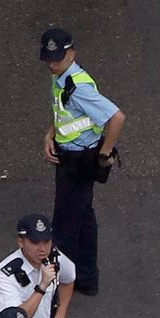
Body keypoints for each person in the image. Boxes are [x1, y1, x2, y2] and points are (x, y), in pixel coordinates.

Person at [38, 26, 126, 295]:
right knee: (84, 218)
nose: (52, 64)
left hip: (77, 161)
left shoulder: (77, 85)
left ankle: (54, 286)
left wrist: (104, 153)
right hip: (71, 155)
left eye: (58, 58)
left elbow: (117, 118)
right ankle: (87, 279)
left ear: (72, 53)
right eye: (48, 58)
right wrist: (50, 134)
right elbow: (62, 110)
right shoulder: (62, 77)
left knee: (64, 226)